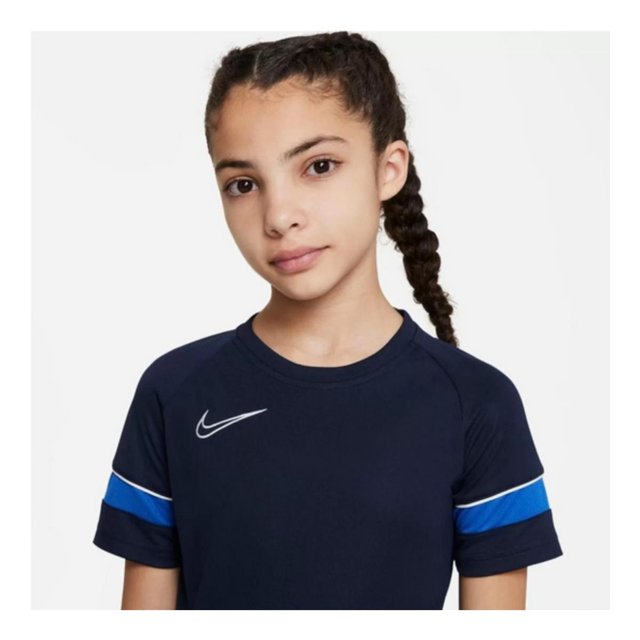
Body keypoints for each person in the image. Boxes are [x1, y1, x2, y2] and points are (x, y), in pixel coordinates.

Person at [92, 31, 563, 610]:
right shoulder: (175, 391)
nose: (279, 215)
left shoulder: (478, 405)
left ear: (388, 169)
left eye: (319, 166)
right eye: (243, 184)